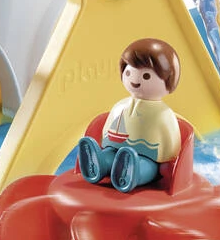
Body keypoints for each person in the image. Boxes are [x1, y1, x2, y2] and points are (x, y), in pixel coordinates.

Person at [77, 38, 181, 193]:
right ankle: (99, 163)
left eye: (146, 76)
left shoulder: (164, 114)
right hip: (115, 148)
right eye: (128, 72)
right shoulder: (120, 106)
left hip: (149, 159)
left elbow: (170, 142)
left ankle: (132, 173)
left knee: (144, 167)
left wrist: (168, 161)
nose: (134, 79)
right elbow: (108, 129)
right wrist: (106, 144)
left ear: (169, 80)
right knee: (108, 155)